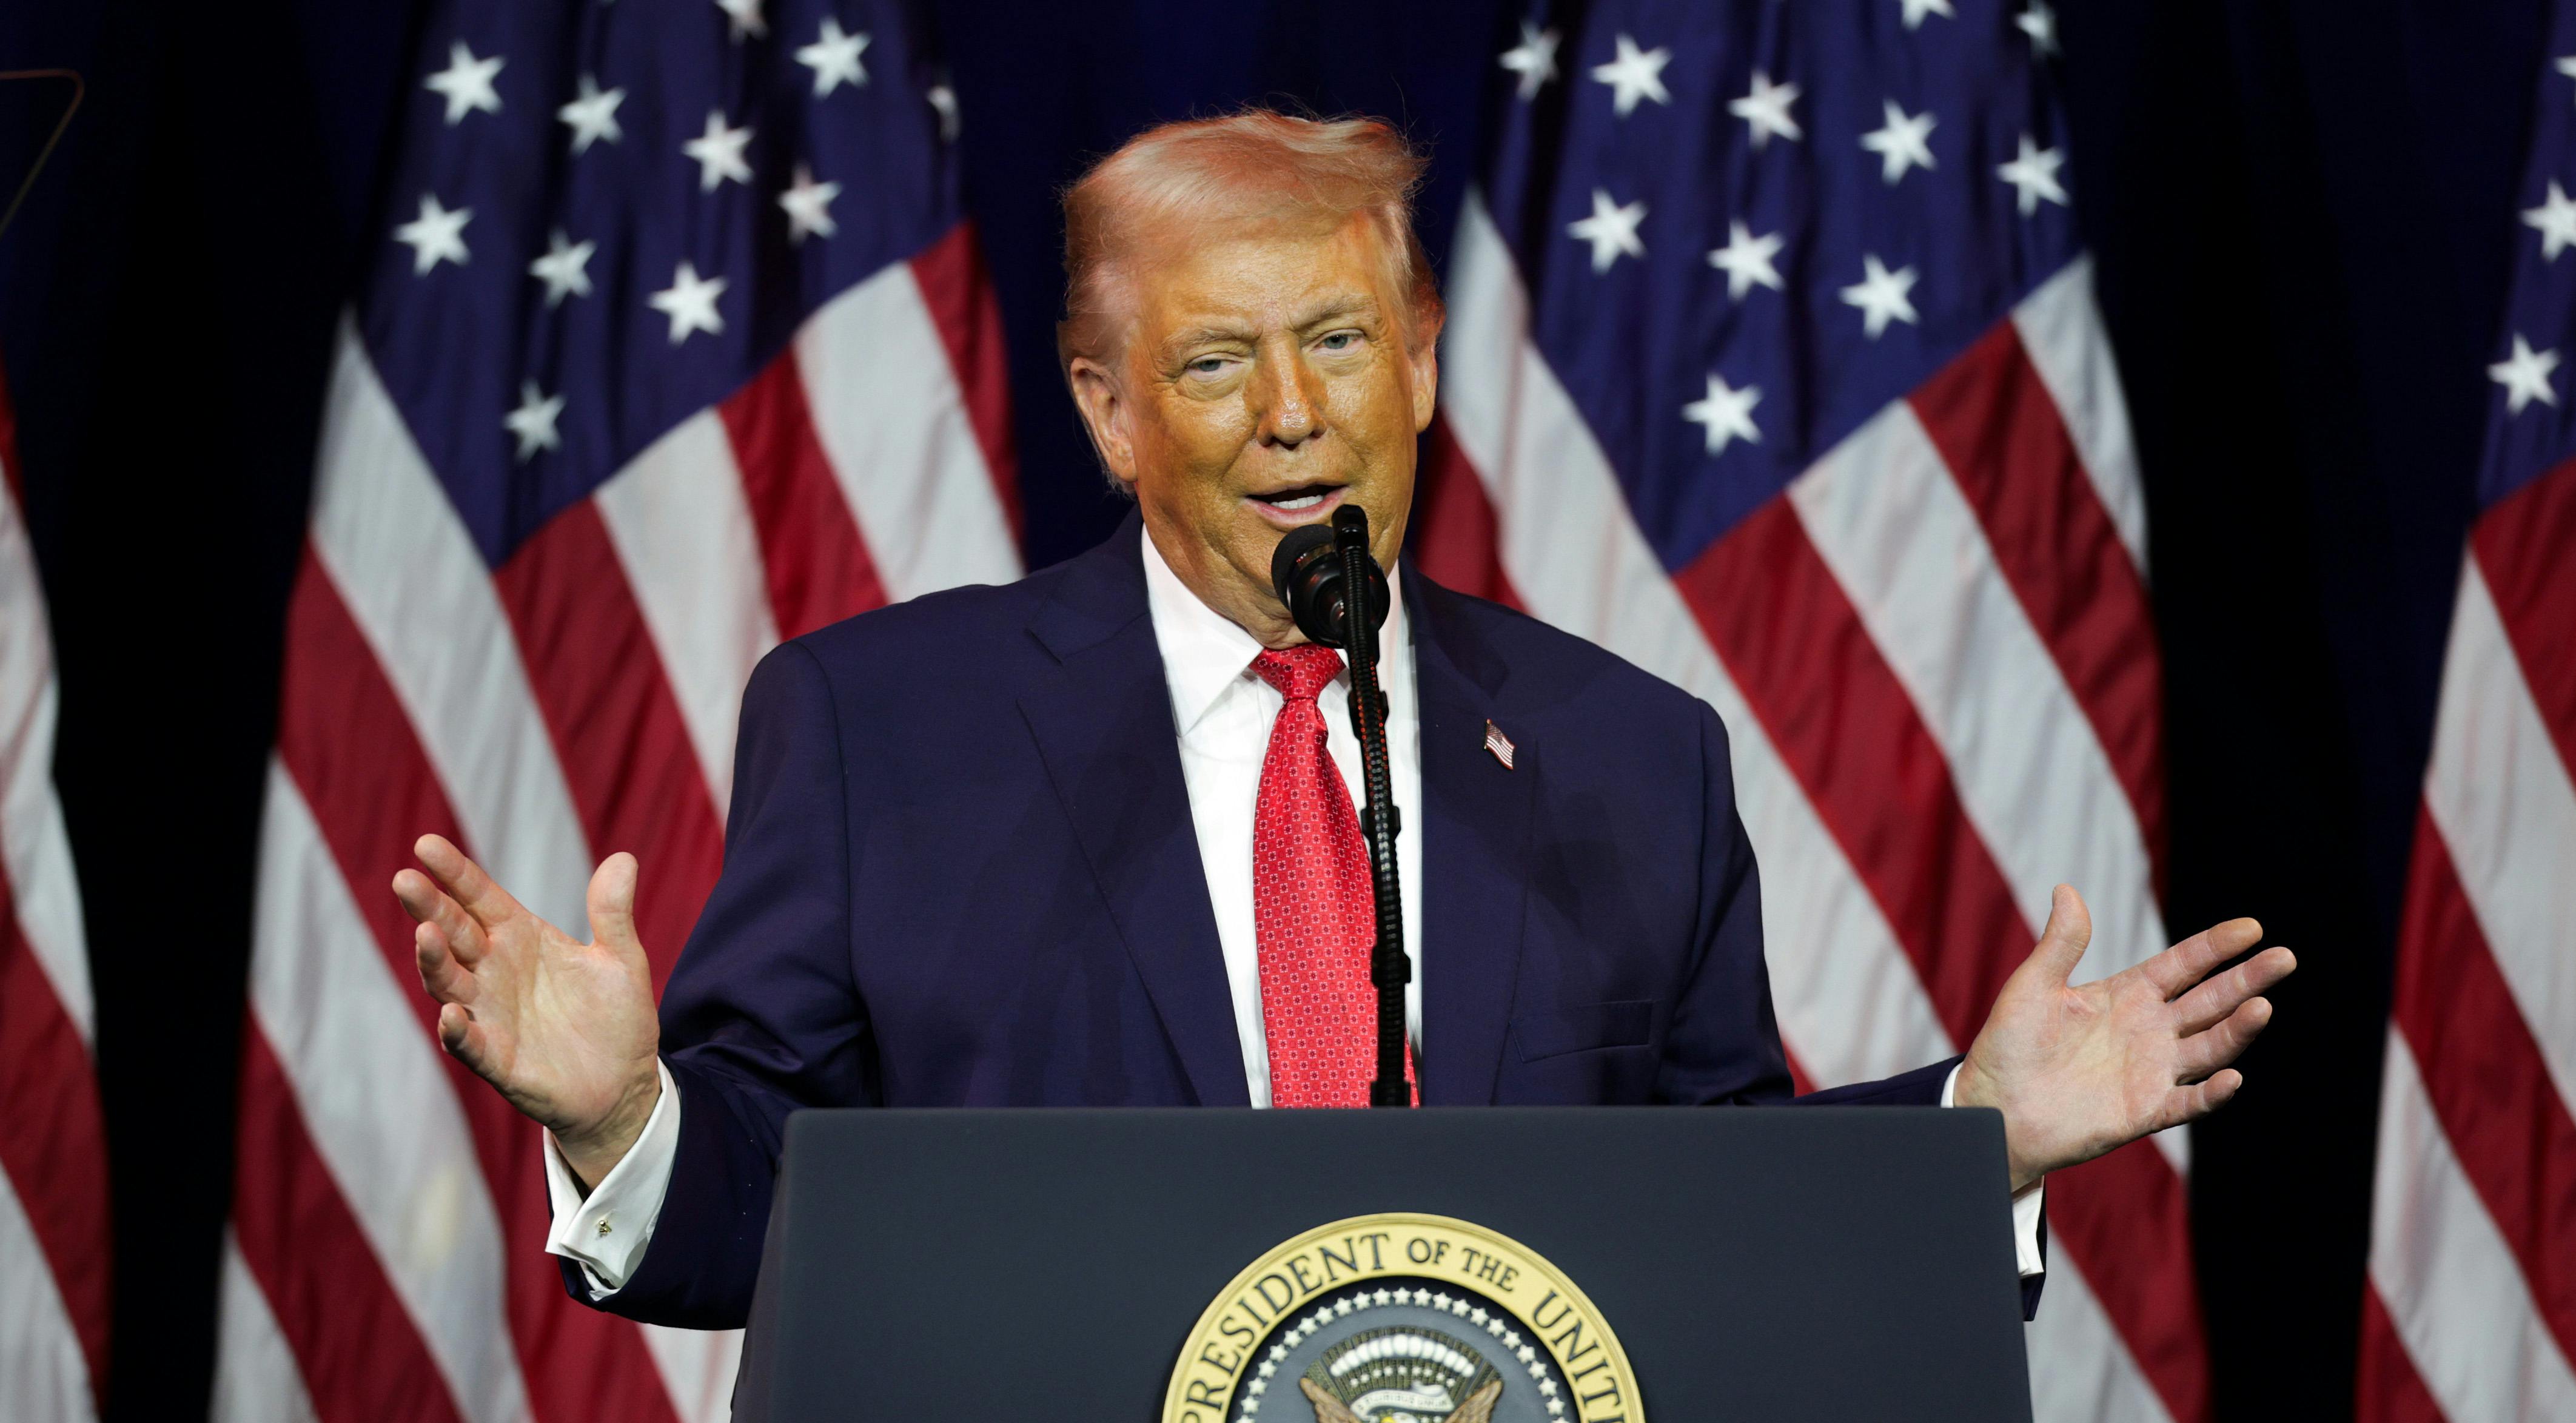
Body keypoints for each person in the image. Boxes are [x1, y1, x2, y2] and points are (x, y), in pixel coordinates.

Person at [391, 112, 2293, 1330]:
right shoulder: (885, 729)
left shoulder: (1629, 754)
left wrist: (1977, 1133)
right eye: (1214, 361)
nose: (1292, 412)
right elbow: (770, 1223)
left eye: (1339, 343)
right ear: (1109, 411)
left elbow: (1719, 1219)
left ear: (1422, 363)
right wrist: (628, 1117)